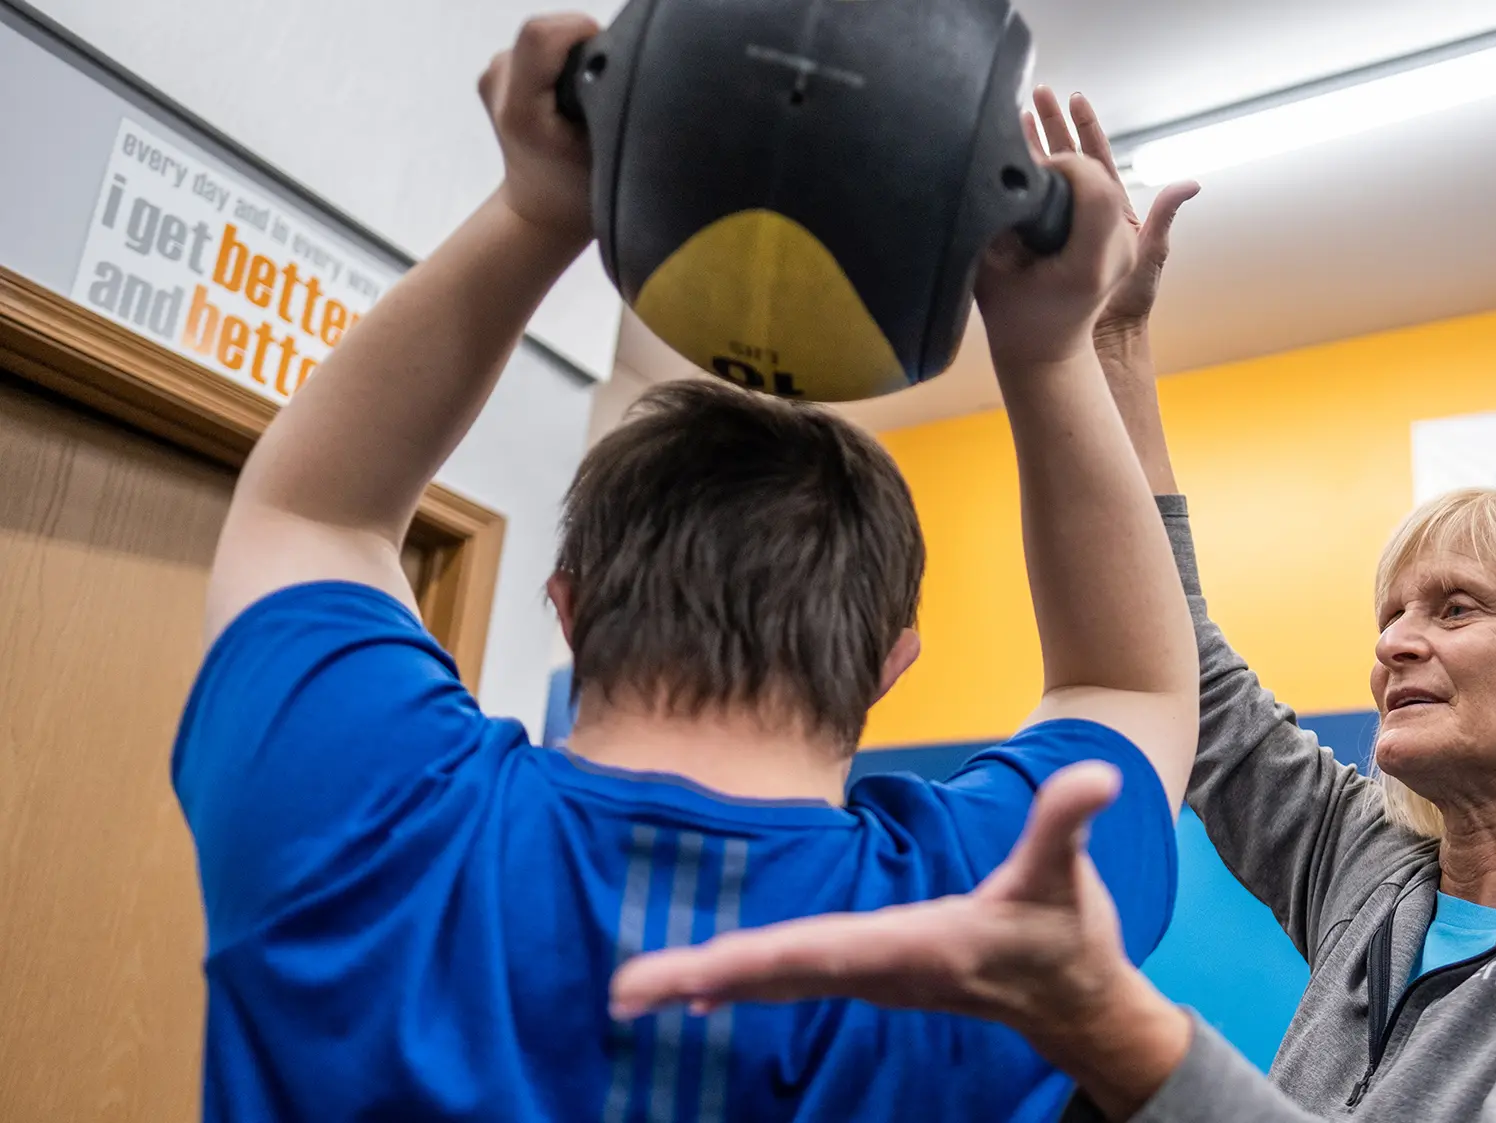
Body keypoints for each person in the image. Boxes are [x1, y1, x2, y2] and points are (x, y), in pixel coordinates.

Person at [608, 89, 1496, 1123]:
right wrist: (1108, 350)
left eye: (1455, 607)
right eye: (1389, 613)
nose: (1393, 643)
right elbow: (1182, 667)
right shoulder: (1381, 872)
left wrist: (1109, 1028)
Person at [174, 20, 1199, 1121]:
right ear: (889, 663)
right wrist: (1049, 347)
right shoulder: (992, 928)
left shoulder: (361, 813)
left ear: (567, 610)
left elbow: (315, 511)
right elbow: (1128, 688)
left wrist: (539, 207)